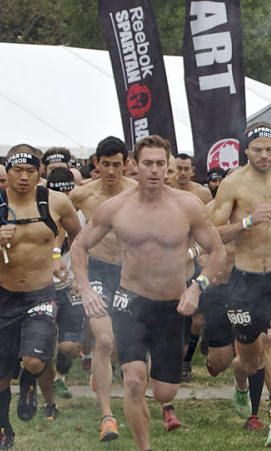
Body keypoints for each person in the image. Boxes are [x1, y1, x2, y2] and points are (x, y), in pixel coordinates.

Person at [72, 135, 227, 451]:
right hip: (130, 301)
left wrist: (198, 287)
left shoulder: (187, 206)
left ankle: (161, 402)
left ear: (167, 165)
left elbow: (218, 251)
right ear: (135, 165)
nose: (154, 170)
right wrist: (85, 287)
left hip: (172, 305)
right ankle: (144, 447)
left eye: (160, 163)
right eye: (147, 163)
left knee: (164, 393)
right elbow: (79, 246)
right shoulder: (115, 208)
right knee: (133, 381)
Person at [0, 143, 83, 450]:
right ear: (7, 171)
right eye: (17, 171)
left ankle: (30, 382)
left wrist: (60, 255)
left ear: (40, 172)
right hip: (4, 297)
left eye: (31, 171)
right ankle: (5, 430)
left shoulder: (56, 202)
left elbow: (79, 237)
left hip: (41, 294)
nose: (23, 177)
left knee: (33, 361)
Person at [206, 122, 271, 450]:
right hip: (245, 282)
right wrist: (248, 222)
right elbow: (212, 232)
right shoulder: (233, 184)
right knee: (250, 362)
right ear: (246, 151)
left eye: (269, 149)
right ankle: (240, 381)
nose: (264, 155)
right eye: (257, 150)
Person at [66, 136, 136, 442]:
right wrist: (62, 261)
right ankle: (107, 417)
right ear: (96, 163)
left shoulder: (137, 192)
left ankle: (101, 371)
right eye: (105, 164)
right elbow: (60, 226)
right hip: (96, 269)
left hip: (130, 274)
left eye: (116, 165)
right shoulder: (81, 195)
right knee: (104, 340)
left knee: (121, 346)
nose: (110, 171)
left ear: (126, 164)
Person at [45, 167, 84, 404]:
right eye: (58, 194)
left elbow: (87, 248)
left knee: (70, 346)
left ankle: (60, 377)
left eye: (68, 193)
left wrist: (81, 277)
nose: (64, 200)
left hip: (70, 282)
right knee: (40, 340)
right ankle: (41, 379)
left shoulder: (84, 213)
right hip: (39, 285)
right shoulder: (38, 212)